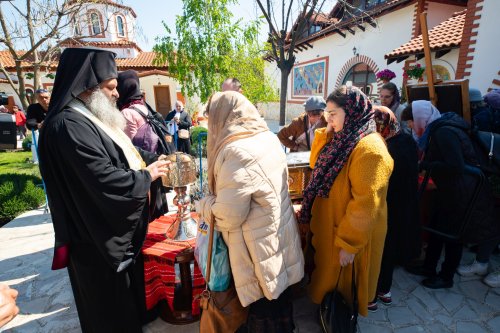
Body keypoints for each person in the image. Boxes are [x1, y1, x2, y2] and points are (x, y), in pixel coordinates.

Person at [38, 47, 171, 333]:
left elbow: (122, 152)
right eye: (110, 87)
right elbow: (102, 178)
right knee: (108, 317)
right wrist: (145, 177)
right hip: (94, 240)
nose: (116, 94)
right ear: (88, 87)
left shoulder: (87, 118)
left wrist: (153, 161)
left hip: (102, 234)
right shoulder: (67, 126)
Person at [198, 91, 304, 332]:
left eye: (212, 118)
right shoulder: (266, 137)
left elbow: (227, 215)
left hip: (257, 250)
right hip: (275, 238)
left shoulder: (236, 151)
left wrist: (203, 205)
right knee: (278, 302)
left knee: (263, 311)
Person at [298, 86, 393, 316]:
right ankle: (328, 312)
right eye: (326, 113)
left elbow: (366, 203)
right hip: (333, 228)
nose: (326, 118)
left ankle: (339, 318)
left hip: (348, 234)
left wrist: (349, 244)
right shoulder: (343, 137)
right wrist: (328, 130)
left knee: (344, 291)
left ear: (351, 112)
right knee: (329, 282)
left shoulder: (369, 149)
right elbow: (314, 164)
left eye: (333, 113)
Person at [401, 101, 499, 289]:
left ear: (419, 118)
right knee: (436, 227)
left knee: (452, 235)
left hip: (460, 192)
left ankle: (446, 277)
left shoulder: (443, 132)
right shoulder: (438, 127)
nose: (410, 127)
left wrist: (426, 166)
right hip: (448, 189)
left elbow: (456, 166)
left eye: (410, 123)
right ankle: (429, 266)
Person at [372, 105, 419, 309]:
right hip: (405, 203)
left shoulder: (384, 146)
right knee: (390, 247)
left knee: (380, 247)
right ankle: (385, 289)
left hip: (387, 203)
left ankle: (371, 293)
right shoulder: (406, 139)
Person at [117, 69, 176, 219]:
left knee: (145, 208)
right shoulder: (145, 107)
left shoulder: (127, 113)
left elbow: (126, 144)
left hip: (141, 166)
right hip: (154, 159)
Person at [26, 88, 50, 164]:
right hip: (42, 133)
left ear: (50, 97)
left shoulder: (56, 105)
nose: (44, 100)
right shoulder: (33, 108)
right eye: (41, 98)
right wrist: (38, 125)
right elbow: (30, 123)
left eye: (46, 97)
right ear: (37, 99)